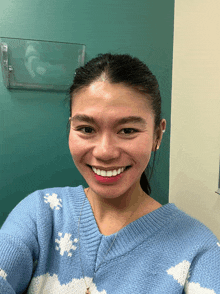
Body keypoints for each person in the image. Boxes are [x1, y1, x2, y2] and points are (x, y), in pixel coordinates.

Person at [0, 53, 219, 294]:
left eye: (127, 130)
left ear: (158, 134)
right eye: (86, 129)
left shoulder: (199, 251)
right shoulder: (40, 215)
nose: (105, 152)